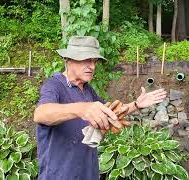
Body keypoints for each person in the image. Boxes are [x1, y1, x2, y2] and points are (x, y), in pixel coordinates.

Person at [33, 36, 167, 180]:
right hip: (59, 175)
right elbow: (41, 114)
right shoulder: (54, 86)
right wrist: (81, 109)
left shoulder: (88, 90)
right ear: (69, 60)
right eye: (86, 60)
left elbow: (111, 113)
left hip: (88, 172)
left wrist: (136, 105)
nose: (92, 66)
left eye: (94, 61)